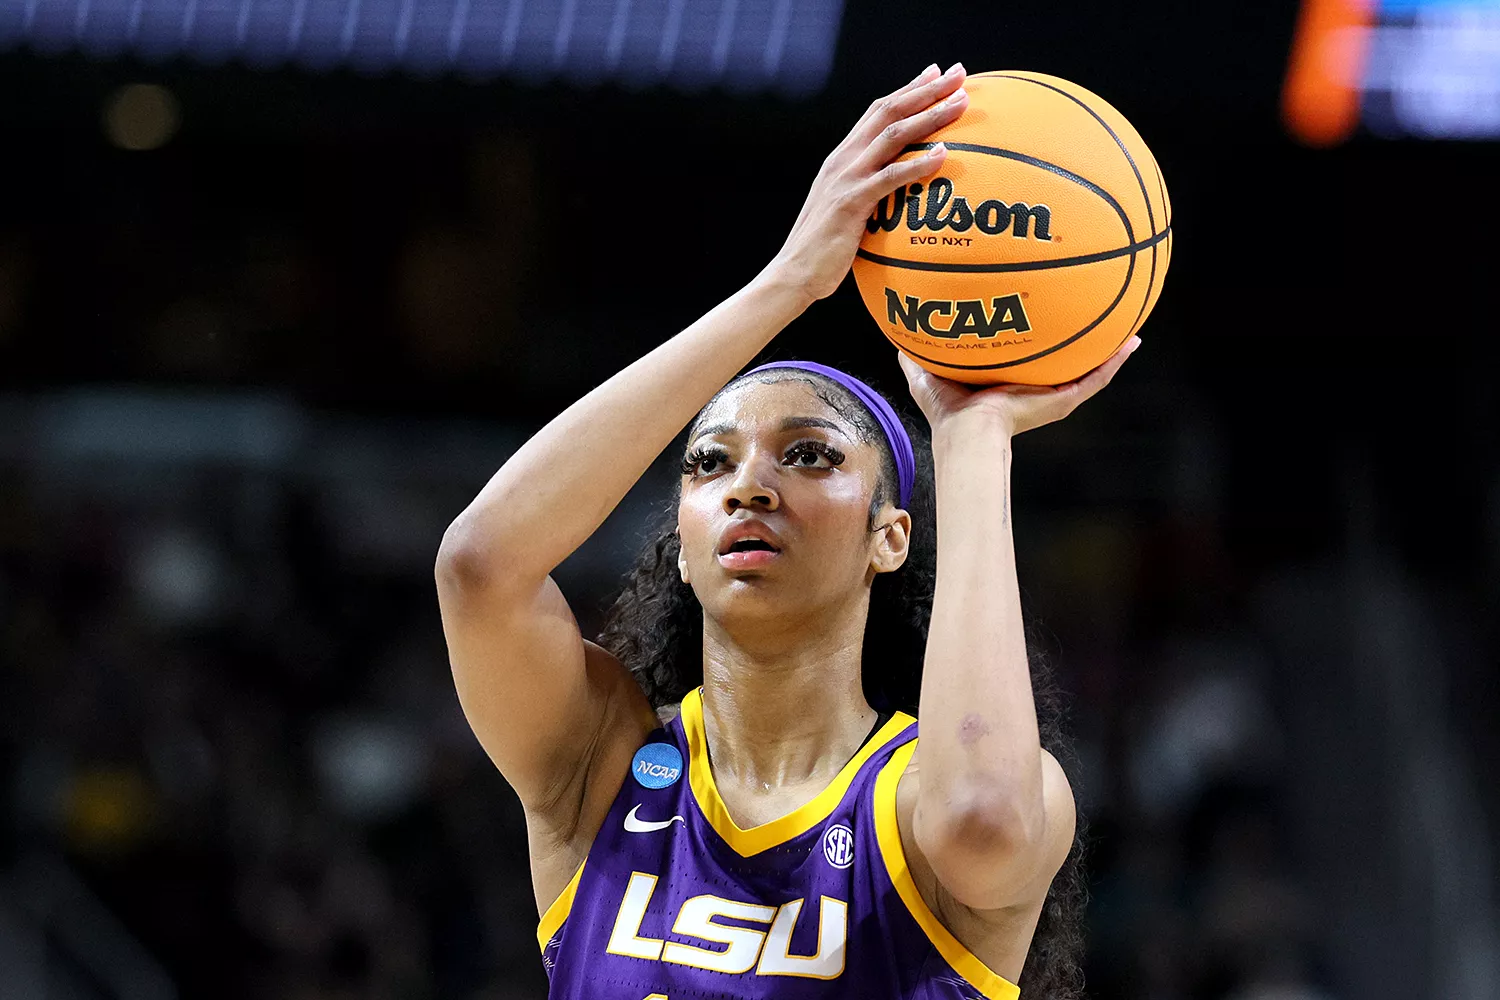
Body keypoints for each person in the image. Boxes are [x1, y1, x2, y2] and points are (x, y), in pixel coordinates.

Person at [436, 62, 1138, 999]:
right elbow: (481, 566)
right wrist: (787, 284)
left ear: (890, 538)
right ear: (681, 546)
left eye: (808, 455)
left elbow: (984, 818)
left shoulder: (923, 806)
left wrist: (971, 438)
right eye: (708, 463)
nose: (749, 485)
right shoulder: (598, 771)